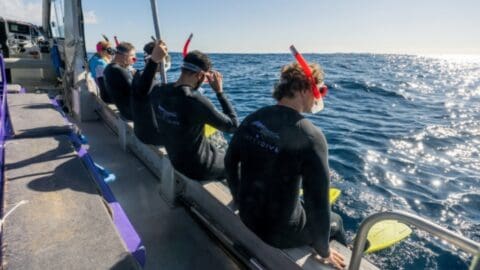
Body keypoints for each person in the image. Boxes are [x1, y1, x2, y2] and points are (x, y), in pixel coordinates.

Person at [225, 62, 346, 269]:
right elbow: (317, 203)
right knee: (336, 221)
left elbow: (229, 161)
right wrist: (323, 250)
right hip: (278, 234)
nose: (320, 97)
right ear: (305, 89)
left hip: (247, 214)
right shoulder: (311, 136)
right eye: (320, 90)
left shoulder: (255, 118)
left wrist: (238, 198)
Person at [136, 41, 238, 180]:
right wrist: (220, 92)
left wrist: (154, 60)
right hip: (199, 168)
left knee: (216, 145)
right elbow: (232, 126)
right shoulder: (195, 100)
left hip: (176, 160)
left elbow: (142, 91)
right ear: (201, 76)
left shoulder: (159, 90)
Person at [130, 41, 164, 145]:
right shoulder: (146, 81)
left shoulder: (139, 74)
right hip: (152, 136)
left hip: (140, 132)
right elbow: (144, 88)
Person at [103, 42, 137, 120]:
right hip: (132, 113)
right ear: (121, 55)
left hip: (124, 111)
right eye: (132, 55)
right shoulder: (119, 70)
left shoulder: (108, 68)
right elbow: (138, 92)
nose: (134, 59)